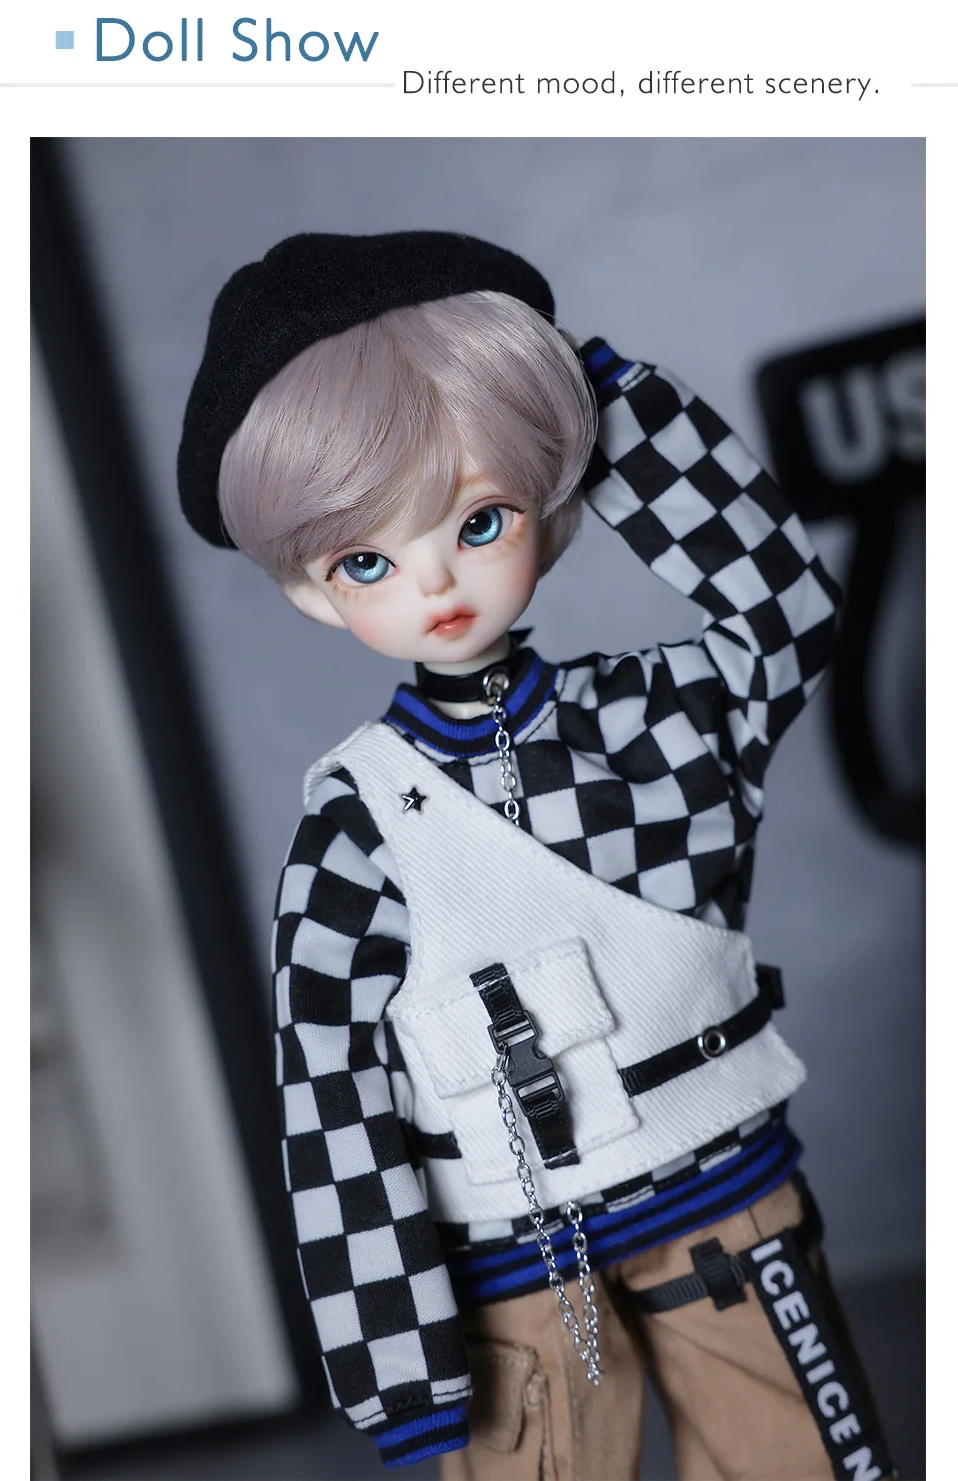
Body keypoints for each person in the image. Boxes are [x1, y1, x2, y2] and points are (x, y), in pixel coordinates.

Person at [178, 231, 895, 1480]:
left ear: (546, 502)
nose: (438, 582)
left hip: (722, 1187)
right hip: (507, 1256)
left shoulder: (656, 723)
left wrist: (589, 393)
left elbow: (783, 613)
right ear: (313, 588)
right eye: (367, 560)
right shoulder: (355, 831)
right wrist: (399, 1364)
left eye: (481, 517)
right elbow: (333, 1102)